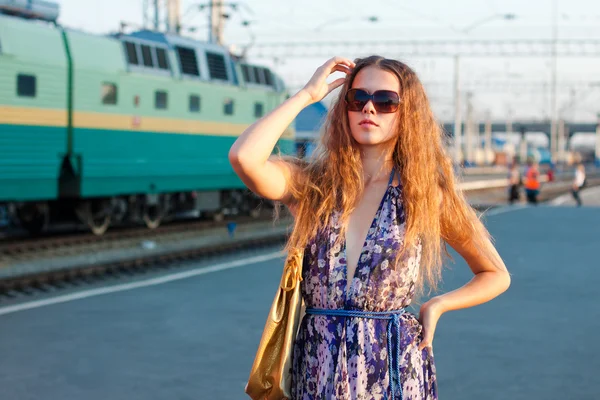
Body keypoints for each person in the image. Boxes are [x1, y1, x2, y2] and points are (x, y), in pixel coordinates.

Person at [229, 56, 510, 399]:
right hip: (318, 368)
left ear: (408, 113)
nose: (369, 109)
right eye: (357, 99)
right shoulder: (314, 185)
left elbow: (495, 273)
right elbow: (244, 158)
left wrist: (438, 304)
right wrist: (306, 95)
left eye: (386, 102)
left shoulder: (424, 194)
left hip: (392, 367)